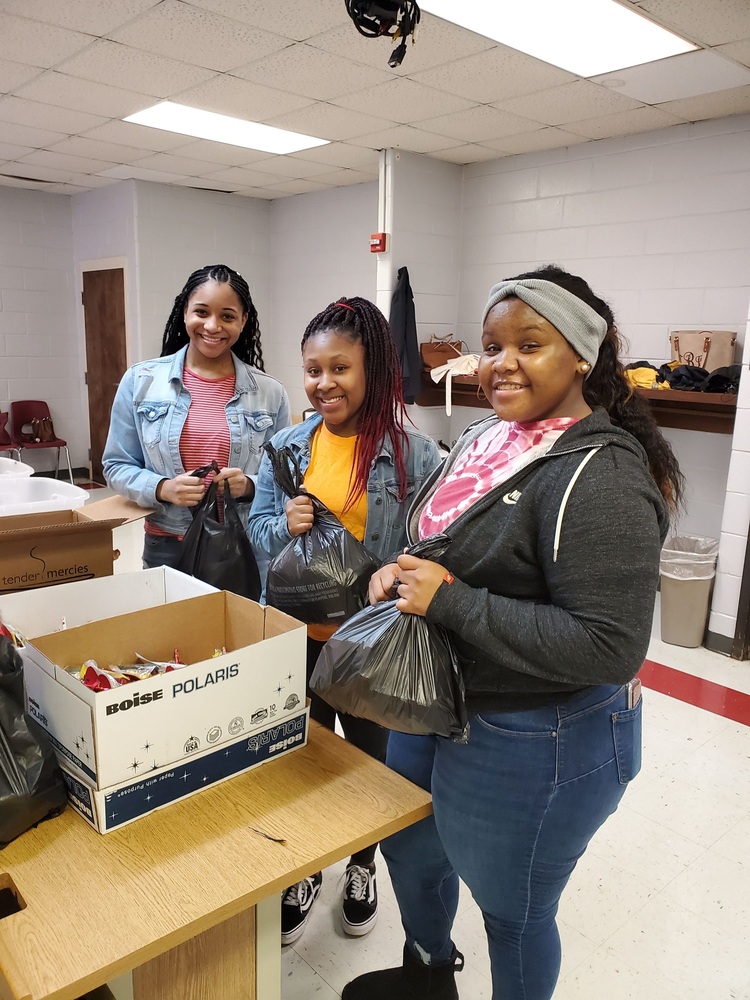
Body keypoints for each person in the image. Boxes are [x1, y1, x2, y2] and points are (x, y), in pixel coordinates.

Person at [342, 265, 683, 1000]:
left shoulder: (603, 475)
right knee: (411, 852)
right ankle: (428, 974)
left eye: (530, 344)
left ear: (585, 356)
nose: (502, 363)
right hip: (435, 700)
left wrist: (451, 604)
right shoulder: (487, 438)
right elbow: (442, 542)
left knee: (514, 911)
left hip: (533, 733)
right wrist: (396, 574)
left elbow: (609, 646)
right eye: (492, 345)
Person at [247, 296, 441, 945]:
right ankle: (303, 868)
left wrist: (406, 567)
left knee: (368, 767)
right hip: (296, 640)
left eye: (340, 368)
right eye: (312, 369)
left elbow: (442, 541)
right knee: (297, 760)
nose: (323, 383)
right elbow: (259, 531)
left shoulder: (415, 454)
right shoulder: (287, 447)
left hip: (372, 646)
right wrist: (284, 525)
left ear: (375, 369)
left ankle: (362, 866)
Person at [103, 263, 290, 569]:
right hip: (168, 544)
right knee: (171, 619)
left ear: (243, 320)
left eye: (227, 316)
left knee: (242, 619)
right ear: (185, 312)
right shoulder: (141, 382)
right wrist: (163, 488)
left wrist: (251, 486)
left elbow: (285, 480)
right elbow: (116, 465)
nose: (213, 326)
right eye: (202, 312)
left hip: (243, 546)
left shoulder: (271, 393)